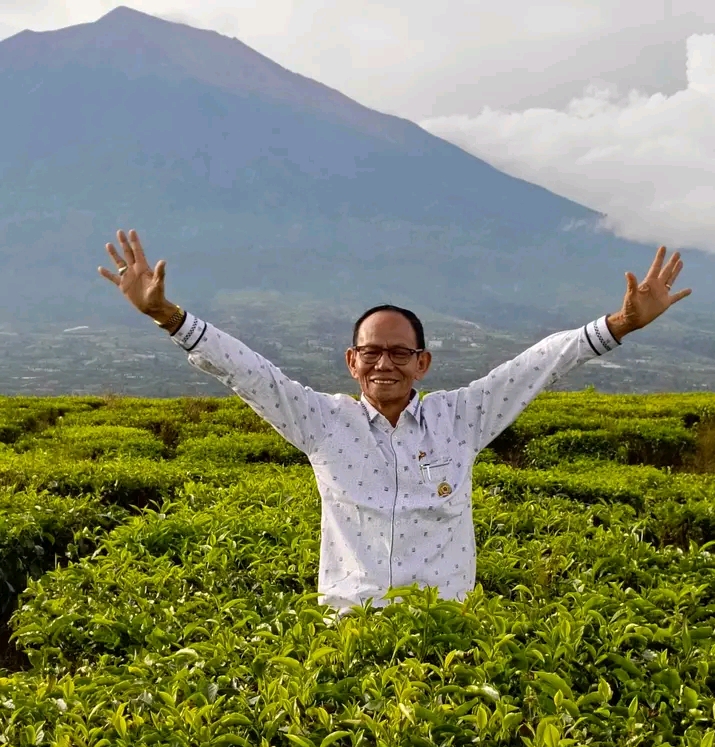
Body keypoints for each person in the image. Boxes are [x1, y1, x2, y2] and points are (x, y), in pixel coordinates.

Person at [99, 230, 691, 610]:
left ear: (423, 363)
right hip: (350, 629)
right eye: (372, 353)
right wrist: (168, 316)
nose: (386, 364)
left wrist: (619, 324)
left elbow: (537, 365)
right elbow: (249, 374)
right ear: (352, 362)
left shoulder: (461, 418)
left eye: (400, 353)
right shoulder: (322, 423)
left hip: (446, 635)